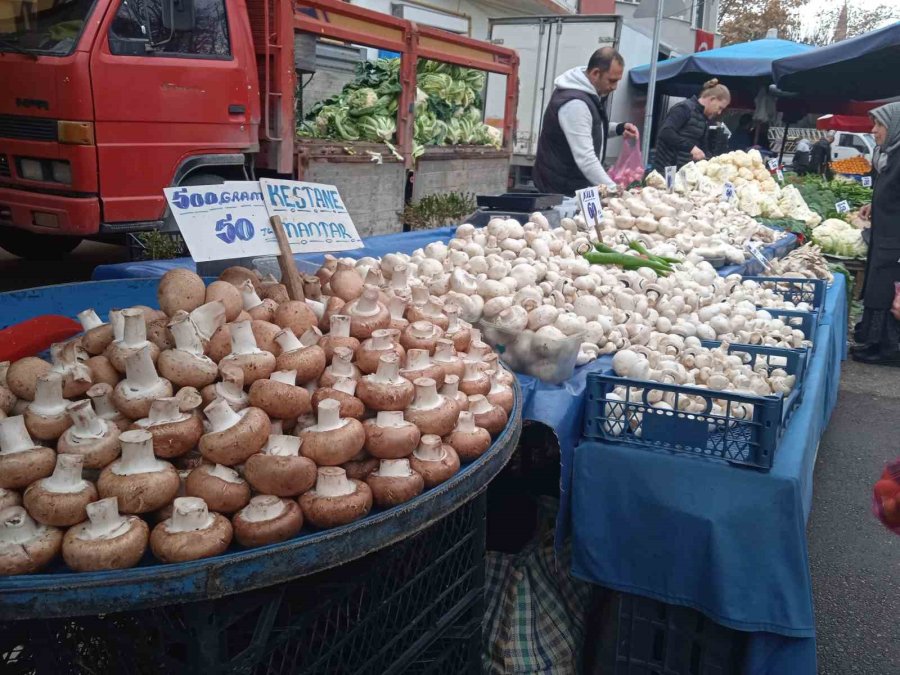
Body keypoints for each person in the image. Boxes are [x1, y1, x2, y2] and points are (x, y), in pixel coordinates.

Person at [532, 48, 638, 196]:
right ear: (595, 73)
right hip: (559, 193)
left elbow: (592, 129)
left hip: (571, 186)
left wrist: (619, 128)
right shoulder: (575, 104)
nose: (614, 87)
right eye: (612, 80)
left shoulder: (586, 95)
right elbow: (586, 158)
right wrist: (615, 192)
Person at [852, 102, 900, 365]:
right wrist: (875, 204)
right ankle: (873, 341)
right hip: (886, 233)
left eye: (879, 124)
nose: (873, 130)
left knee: (888, 290)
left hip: (895, 238)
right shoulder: (890, 153)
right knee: (878, 287)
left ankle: (888, 349)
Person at [652, 79, 730, 174]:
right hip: (666, 172)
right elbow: (666, 132)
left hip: (684, 174)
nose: (719, 112)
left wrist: (715, 162)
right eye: (720, 107)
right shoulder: (683, 108)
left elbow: (703, 149)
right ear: (712, 99)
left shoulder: (704, 119)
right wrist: (691, 148)